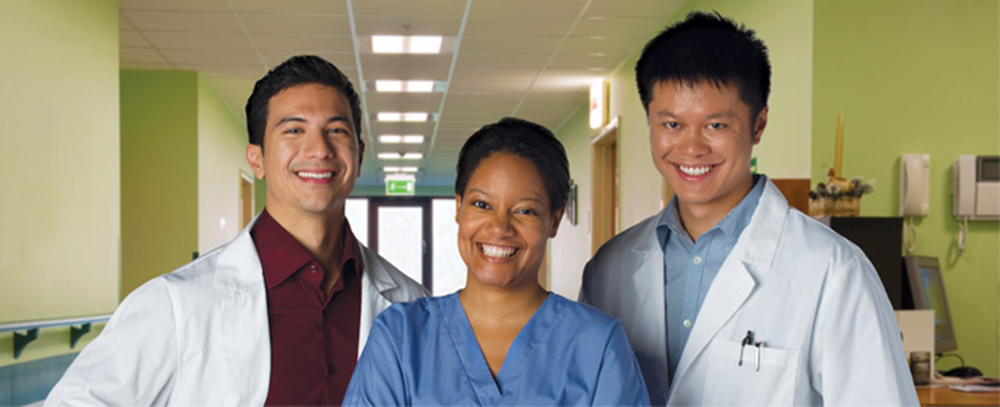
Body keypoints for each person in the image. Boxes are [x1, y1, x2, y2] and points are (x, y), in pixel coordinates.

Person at [45, 55, 428, 406]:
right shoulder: (176, 304)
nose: (319, 149)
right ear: (256, 158)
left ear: (358, 155)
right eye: (294, 130)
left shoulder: (411, 304)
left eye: (337, 131)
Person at [579, 12, 919, 406]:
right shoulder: (609, 268)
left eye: (716, 126)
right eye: (671, 125)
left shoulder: (833, 271)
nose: (691, 149)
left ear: (758, 125)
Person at [344, 117, 649, 405]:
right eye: (482, 205)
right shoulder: (400, 337)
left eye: (525, 210)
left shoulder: (596, 345)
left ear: (554, 221)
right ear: (459, 207)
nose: (500, 227)